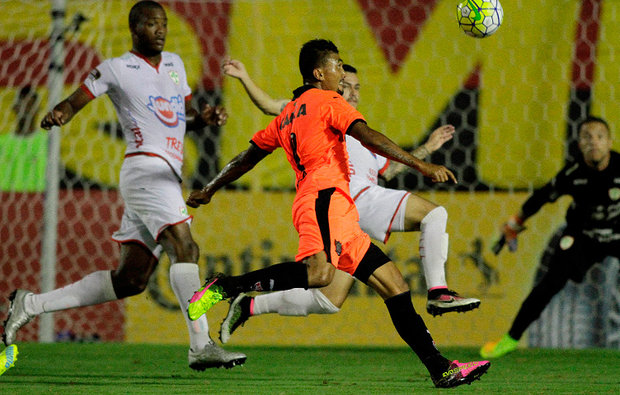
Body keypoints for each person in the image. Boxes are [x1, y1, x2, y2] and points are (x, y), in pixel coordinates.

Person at [186, 39, 490, 388]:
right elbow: (368, 136)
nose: (342, 73)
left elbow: (247, 156)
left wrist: (210, 188)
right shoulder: (328, 101)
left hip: (336, 206)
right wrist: (421, 163)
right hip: (324, 199)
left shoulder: (288, 113)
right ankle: (226, 286)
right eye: (338, 65)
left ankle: (441, 369)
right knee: (319, 276)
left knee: (394, 285)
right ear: (319, 73)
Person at [1, 1, 246, 370]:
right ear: (134, 29)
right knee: (186, 247)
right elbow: (77, 98)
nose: (160, 29)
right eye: (151, 24)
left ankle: (29, 304)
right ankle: (201, 344)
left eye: (163, 23)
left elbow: (182, 118)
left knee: (130, 280)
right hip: (145, 169)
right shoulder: (117, 68)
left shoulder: (177, 66)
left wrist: (204, 118)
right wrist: (60, 114)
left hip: (164, 176)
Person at [481, 116, 619, 358]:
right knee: (549, 284)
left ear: (609, 142)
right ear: (579, 143)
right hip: (583, 236)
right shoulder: (573, 173)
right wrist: (513, 224)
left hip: (617, 232)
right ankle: (509, 340)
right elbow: (540, 198)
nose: (593, 142)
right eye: (587, 137)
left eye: (599, 136)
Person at [0, 85, 47, 192]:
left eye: (30, 105)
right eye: (22, 105)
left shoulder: (47, 142)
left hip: (39, 203)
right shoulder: (2, 143)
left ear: (37, 109)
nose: (26, 110)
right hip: (6, 203)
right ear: (15, 108)